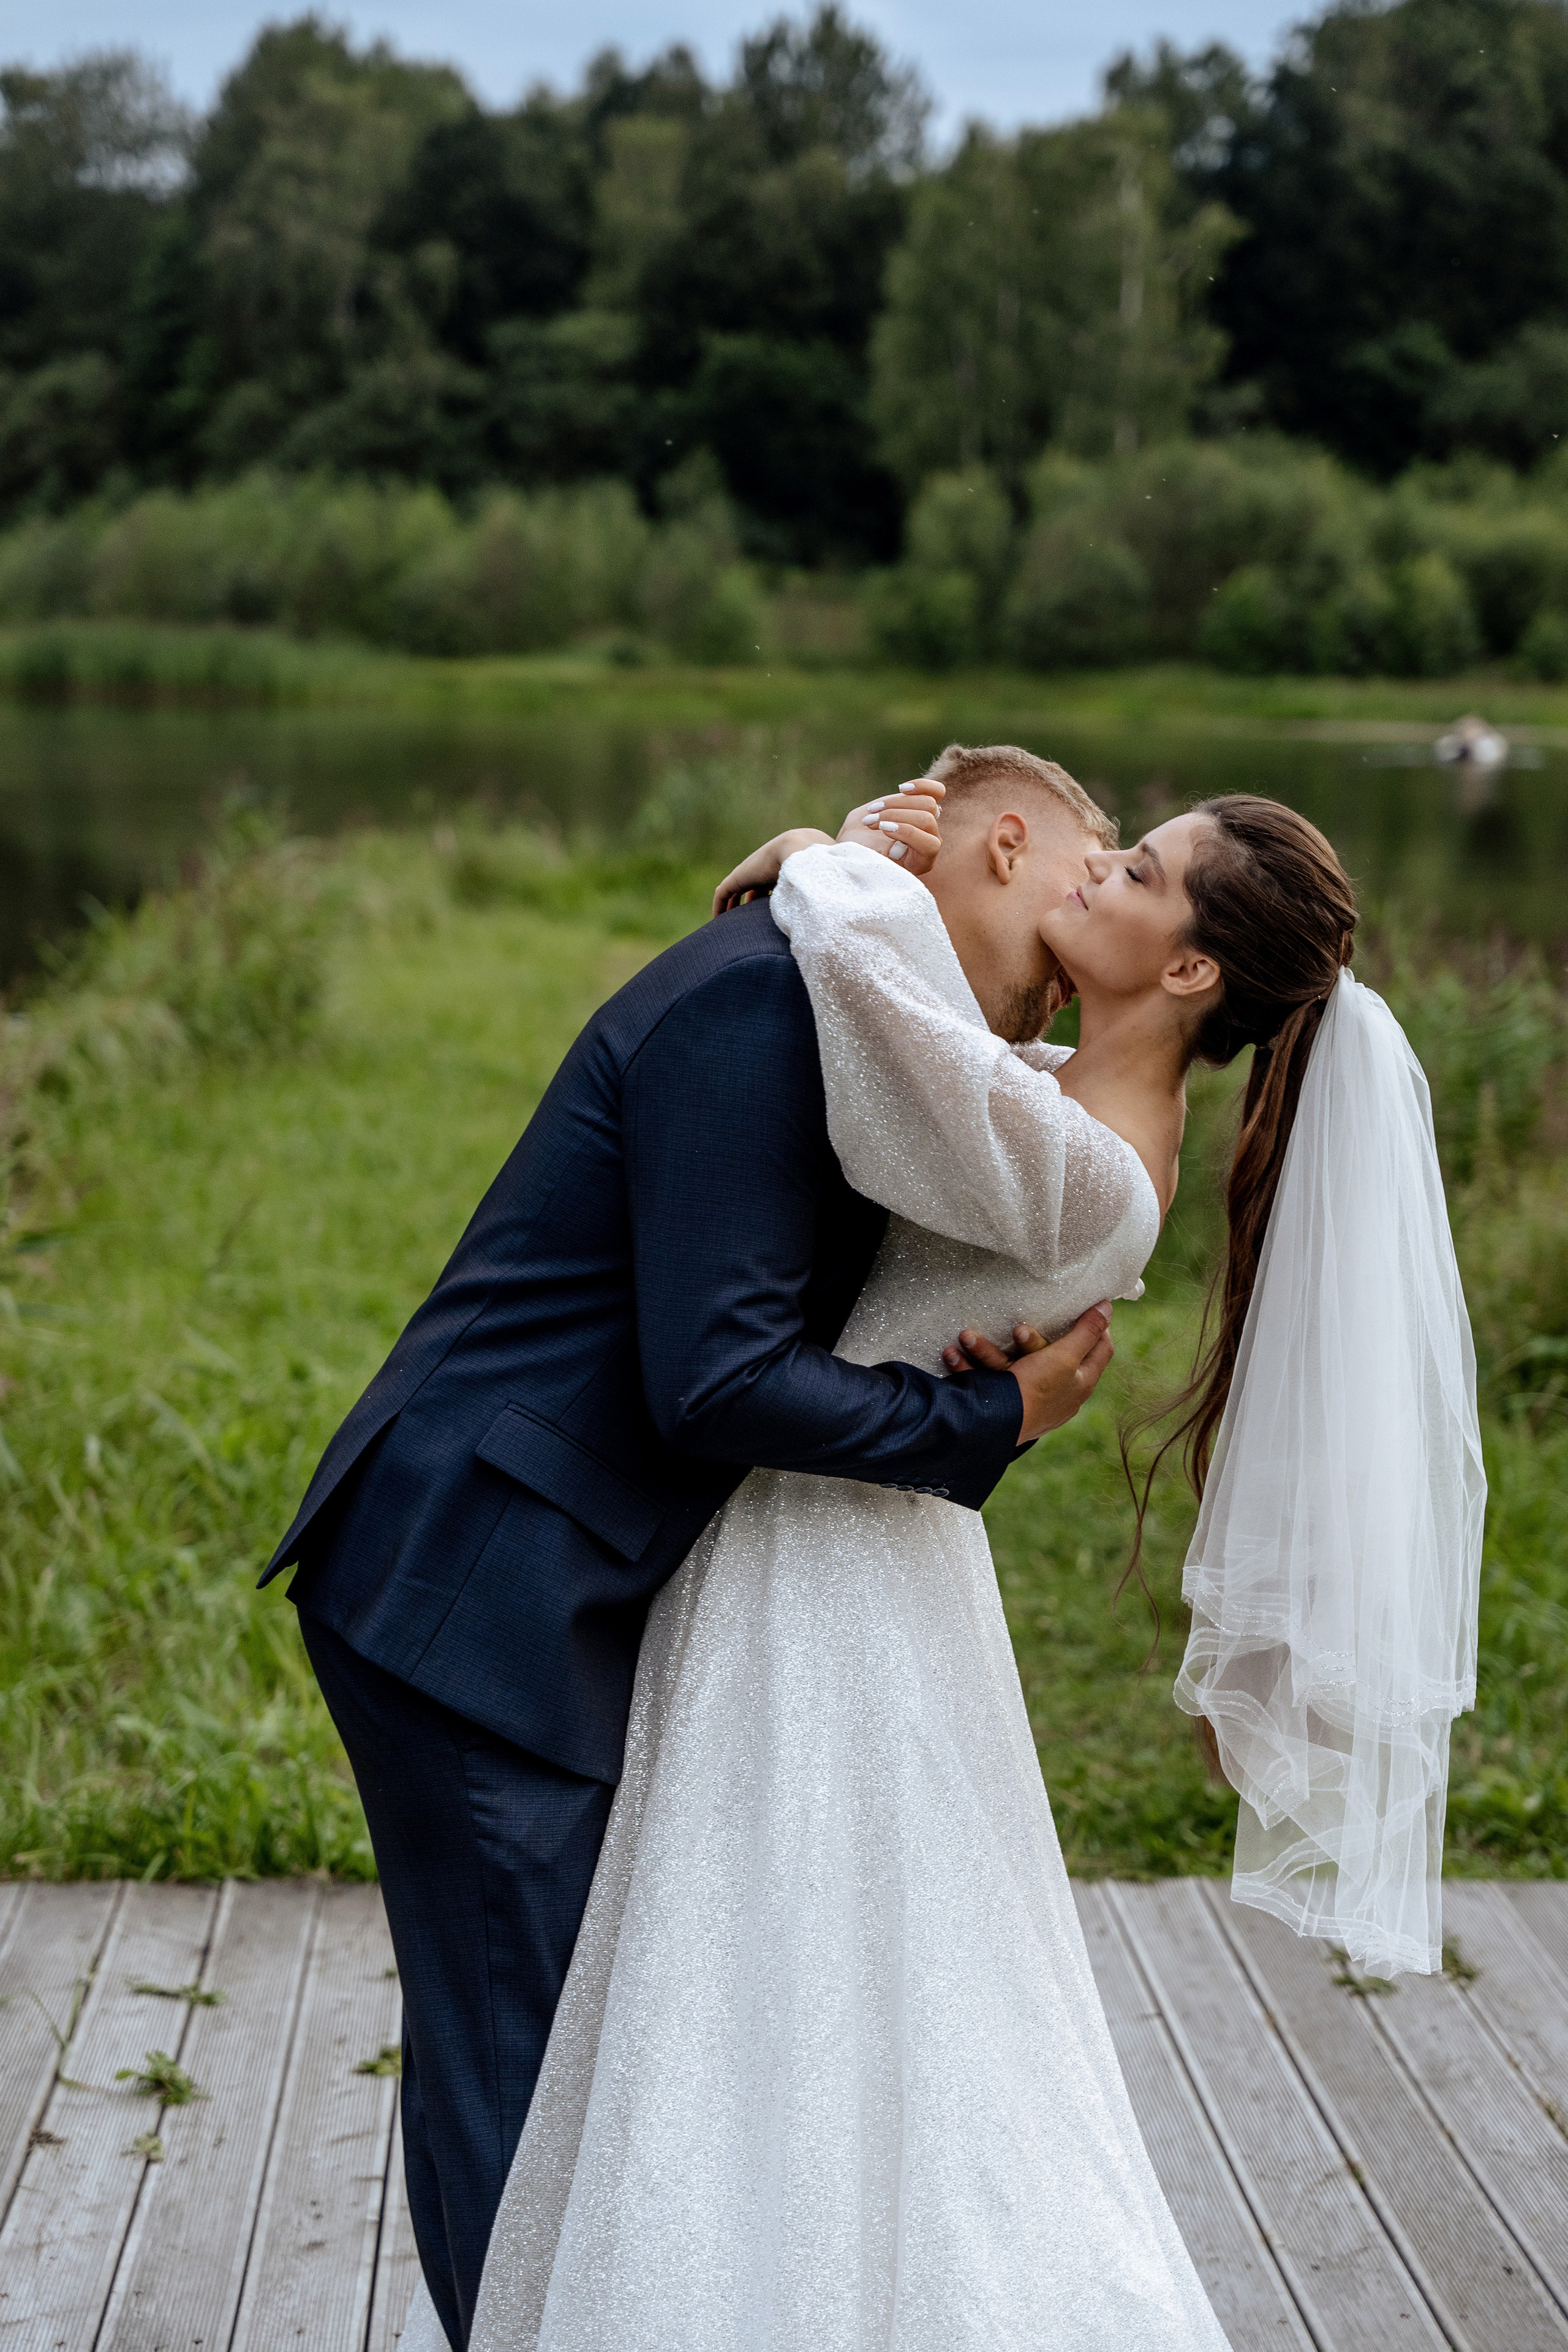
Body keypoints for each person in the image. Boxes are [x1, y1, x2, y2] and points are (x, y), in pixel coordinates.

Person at [445, 777, 1479, 2351]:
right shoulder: (1056, 1102)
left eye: (1138, 870)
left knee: (781, 1947)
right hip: (846, 1538)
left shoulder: (1081, 1166)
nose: (1100, 871)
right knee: (799, 1961)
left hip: (826, 1567)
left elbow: (879, 1013)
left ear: (1186, 967)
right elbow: (928, 1040)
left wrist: (820, 858)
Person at [262, 744, 1120, 2352]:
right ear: (1003, 842)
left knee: (569, 2076)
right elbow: (716, 1379)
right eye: (1088, 882)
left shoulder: (849, 994)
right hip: (477, 1590)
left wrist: (825, 858)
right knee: (528, 2094)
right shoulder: (766, 1000)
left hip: (552, 1579)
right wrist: (982, 1423)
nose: (1080, 946)